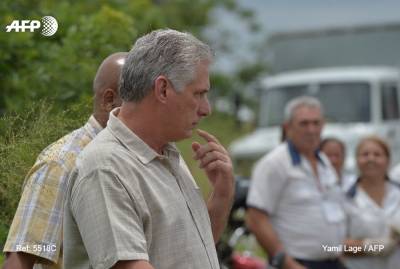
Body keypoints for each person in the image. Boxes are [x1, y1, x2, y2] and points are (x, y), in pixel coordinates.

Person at [63, 29, 235, 269]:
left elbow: (195, 250)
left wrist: (222, 193)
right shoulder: (106, 168)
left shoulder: (165, 152)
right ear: (163, 89)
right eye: (199, 94)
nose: (206, 109)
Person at [2, 52, 127, 269]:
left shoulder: (135, 158)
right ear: (109, 100)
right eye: (139, 100)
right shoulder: (61, 164)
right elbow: (24, 256)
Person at [245, 96, 346, 269]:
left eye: (316, 123)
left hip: (333, 261)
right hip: (298, 263)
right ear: (288, 127)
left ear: (323, 126)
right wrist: (287, 263)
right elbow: (255, 219)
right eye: (304, 123)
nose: (311, 130)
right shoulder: (274, 163)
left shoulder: (323, 160)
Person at [343, 136, 400, 269]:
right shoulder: (344, 197)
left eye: (377, 154)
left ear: (388, 160)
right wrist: (368, 246)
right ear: (356, 160)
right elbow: (332, 247)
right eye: (365, 154)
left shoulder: (397, 192)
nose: (371, 159)